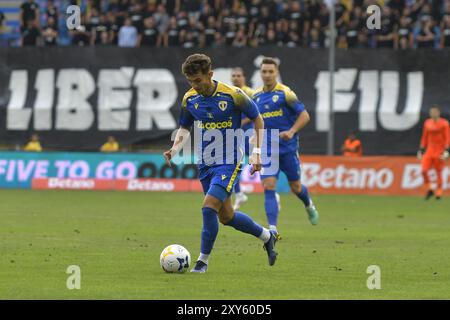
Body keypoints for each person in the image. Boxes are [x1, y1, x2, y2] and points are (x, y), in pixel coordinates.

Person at [163, 54, 278, 273]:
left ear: (210, 74)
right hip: (205, 162)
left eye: (198, 80)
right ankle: (266, 236)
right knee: (226, 216)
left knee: (208, 207)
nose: (194, 86)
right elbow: (185, 127)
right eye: (190, 82)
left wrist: (256, 153)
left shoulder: (233, 95)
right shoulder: (190, 99)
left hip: (230, 160)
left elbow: (258, 119)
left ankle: (202, 262)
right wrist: (175, 149)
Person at [253, 57, 319, 238]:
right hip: (267, 148)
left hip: (287, 148)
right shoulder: (256, 96)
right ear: (261, 73)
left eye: (270, 72)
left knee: (296, 187)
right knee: (268, 185)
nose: (267, 75)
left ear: (276, 73)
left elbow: (304, 115)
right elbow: (255, 120)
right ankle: (272, 228)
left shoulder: (286, 93)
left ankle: (309, 205)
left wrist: (291, 131)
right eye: (264, 71)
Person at [417, 105, 449, 200]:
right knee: (423, 170)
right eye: (432, 112)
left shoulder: (444, 123)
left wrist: (447, 150)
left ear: (438, 113)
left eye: (435, 112)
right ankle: (430, 188)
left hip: (439, 151)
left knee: (438, 171)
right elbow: (424, 137)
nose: (433, 114)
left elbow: (447, 137)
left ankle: (439, 191)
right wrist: (421, 150)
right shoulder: (427, 123)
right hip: (430, 150)